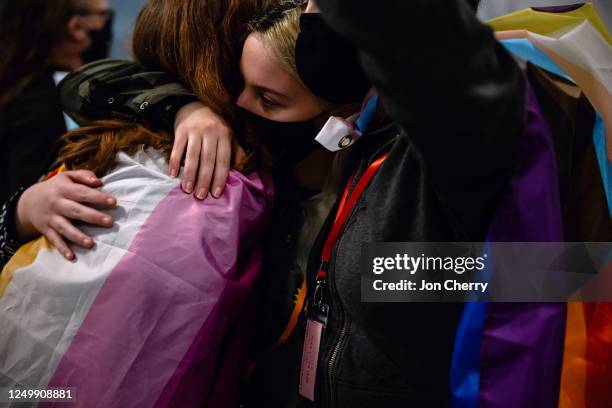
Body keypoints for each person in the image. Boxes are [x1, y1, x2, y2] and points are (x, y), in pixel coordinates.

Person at [2, 0, 526, 406]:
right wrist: (185, 109)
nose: (241, 109)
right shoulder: (235, 182)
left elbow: (566, 275)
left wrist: (424, 276)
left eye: (268, 99)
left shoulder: (424, 158)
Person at [0, 0, 113, 204]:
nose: (105, 25)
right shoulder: (40, 107)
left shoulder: (15, 91)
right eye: (103, 16)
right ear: (76, 28)